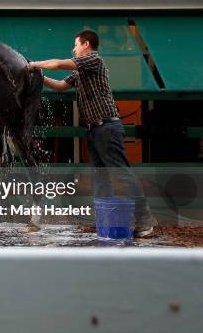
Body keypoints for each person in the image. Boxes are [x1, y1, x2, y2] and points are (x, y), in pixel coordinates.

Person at [29, 29, 156, 237]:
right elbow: (61, 86)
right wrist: (40, 76)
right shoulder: (81, 70)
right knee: (101, 178)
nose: (74, 48)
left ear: (86, 44)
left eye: (76, 44)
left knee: (121, 173)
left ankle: (145, 221)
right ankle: (106, 222)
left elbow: (59, 64)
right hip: (95, 129)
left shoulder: (93, 60)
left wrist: (33, 65)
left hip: (106, 126)